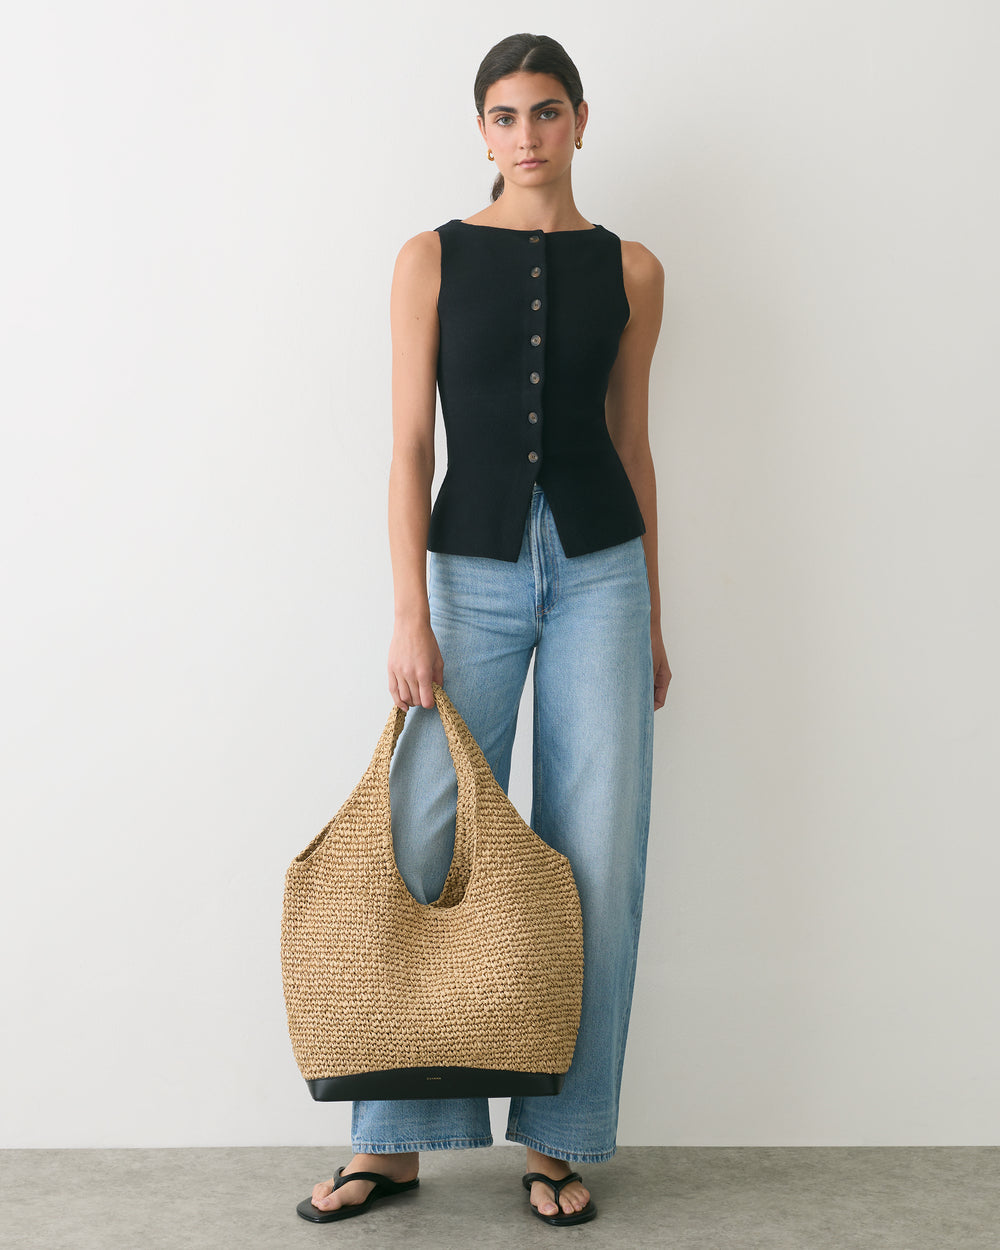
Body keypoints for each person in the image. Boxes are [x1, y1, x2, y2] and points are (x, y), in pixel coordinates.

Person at [298, 31, 670, 1228]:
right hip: (467, 574)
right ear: (481, 130)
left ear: (579, 121)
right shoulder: (431, 258)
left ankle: (560, 1136)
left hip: (603, 575)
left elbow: (632, 444)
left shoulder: (634, 268)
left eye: (546, 111)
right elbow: (410, 446)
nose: (526, 135)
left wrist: (652, 612)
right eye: (504, 115)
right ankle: (394, 1140)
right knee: (426, 836)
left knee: (596, 853)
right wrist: (408, 610)